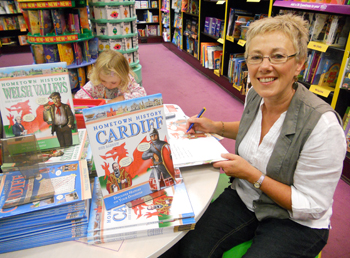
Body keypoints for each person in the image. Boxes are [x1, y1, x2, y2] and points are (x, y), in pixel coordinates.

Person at [173, 15, 346, 258]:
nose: (264, 66)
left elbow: (312, 206)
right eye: (256, 57)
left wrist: (253, 175)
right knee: (190, 249)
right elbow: (254, 132)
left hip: (295, 221)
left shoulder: (322, 126)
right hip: (246, 198)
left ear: (299, 63)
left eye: (278, 56)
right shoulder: (255, 94)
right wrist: (216, 126)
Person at [74, 50, 146, 103]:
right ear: (98, 75)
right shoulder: (97, 80)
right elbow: (78, 96)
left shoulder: (127, 80)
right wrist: (91, 102)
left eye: (113, 82)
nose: (108, 85)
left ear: (123, 77)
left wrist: (122, 98)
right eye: (103, 81)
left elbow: (142, 94)